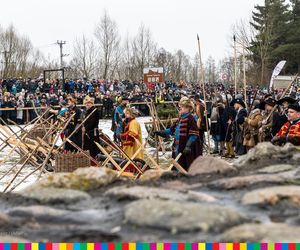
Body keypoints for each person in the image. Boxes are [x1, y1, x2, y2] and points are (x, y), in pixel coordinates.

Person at [155, 97, 202, 171]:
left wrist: (188, 146)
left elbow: (194, 134)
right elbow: (172, 129)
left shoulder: (191, 118)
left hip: (185, 146)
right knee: (177, 163)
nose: (180, 108)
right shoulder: (181, 118)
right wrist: (161, 132)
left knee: (185, 164)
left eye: (183, 107)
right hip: (177, 146)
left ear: (188, 108)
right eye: (181, 106)